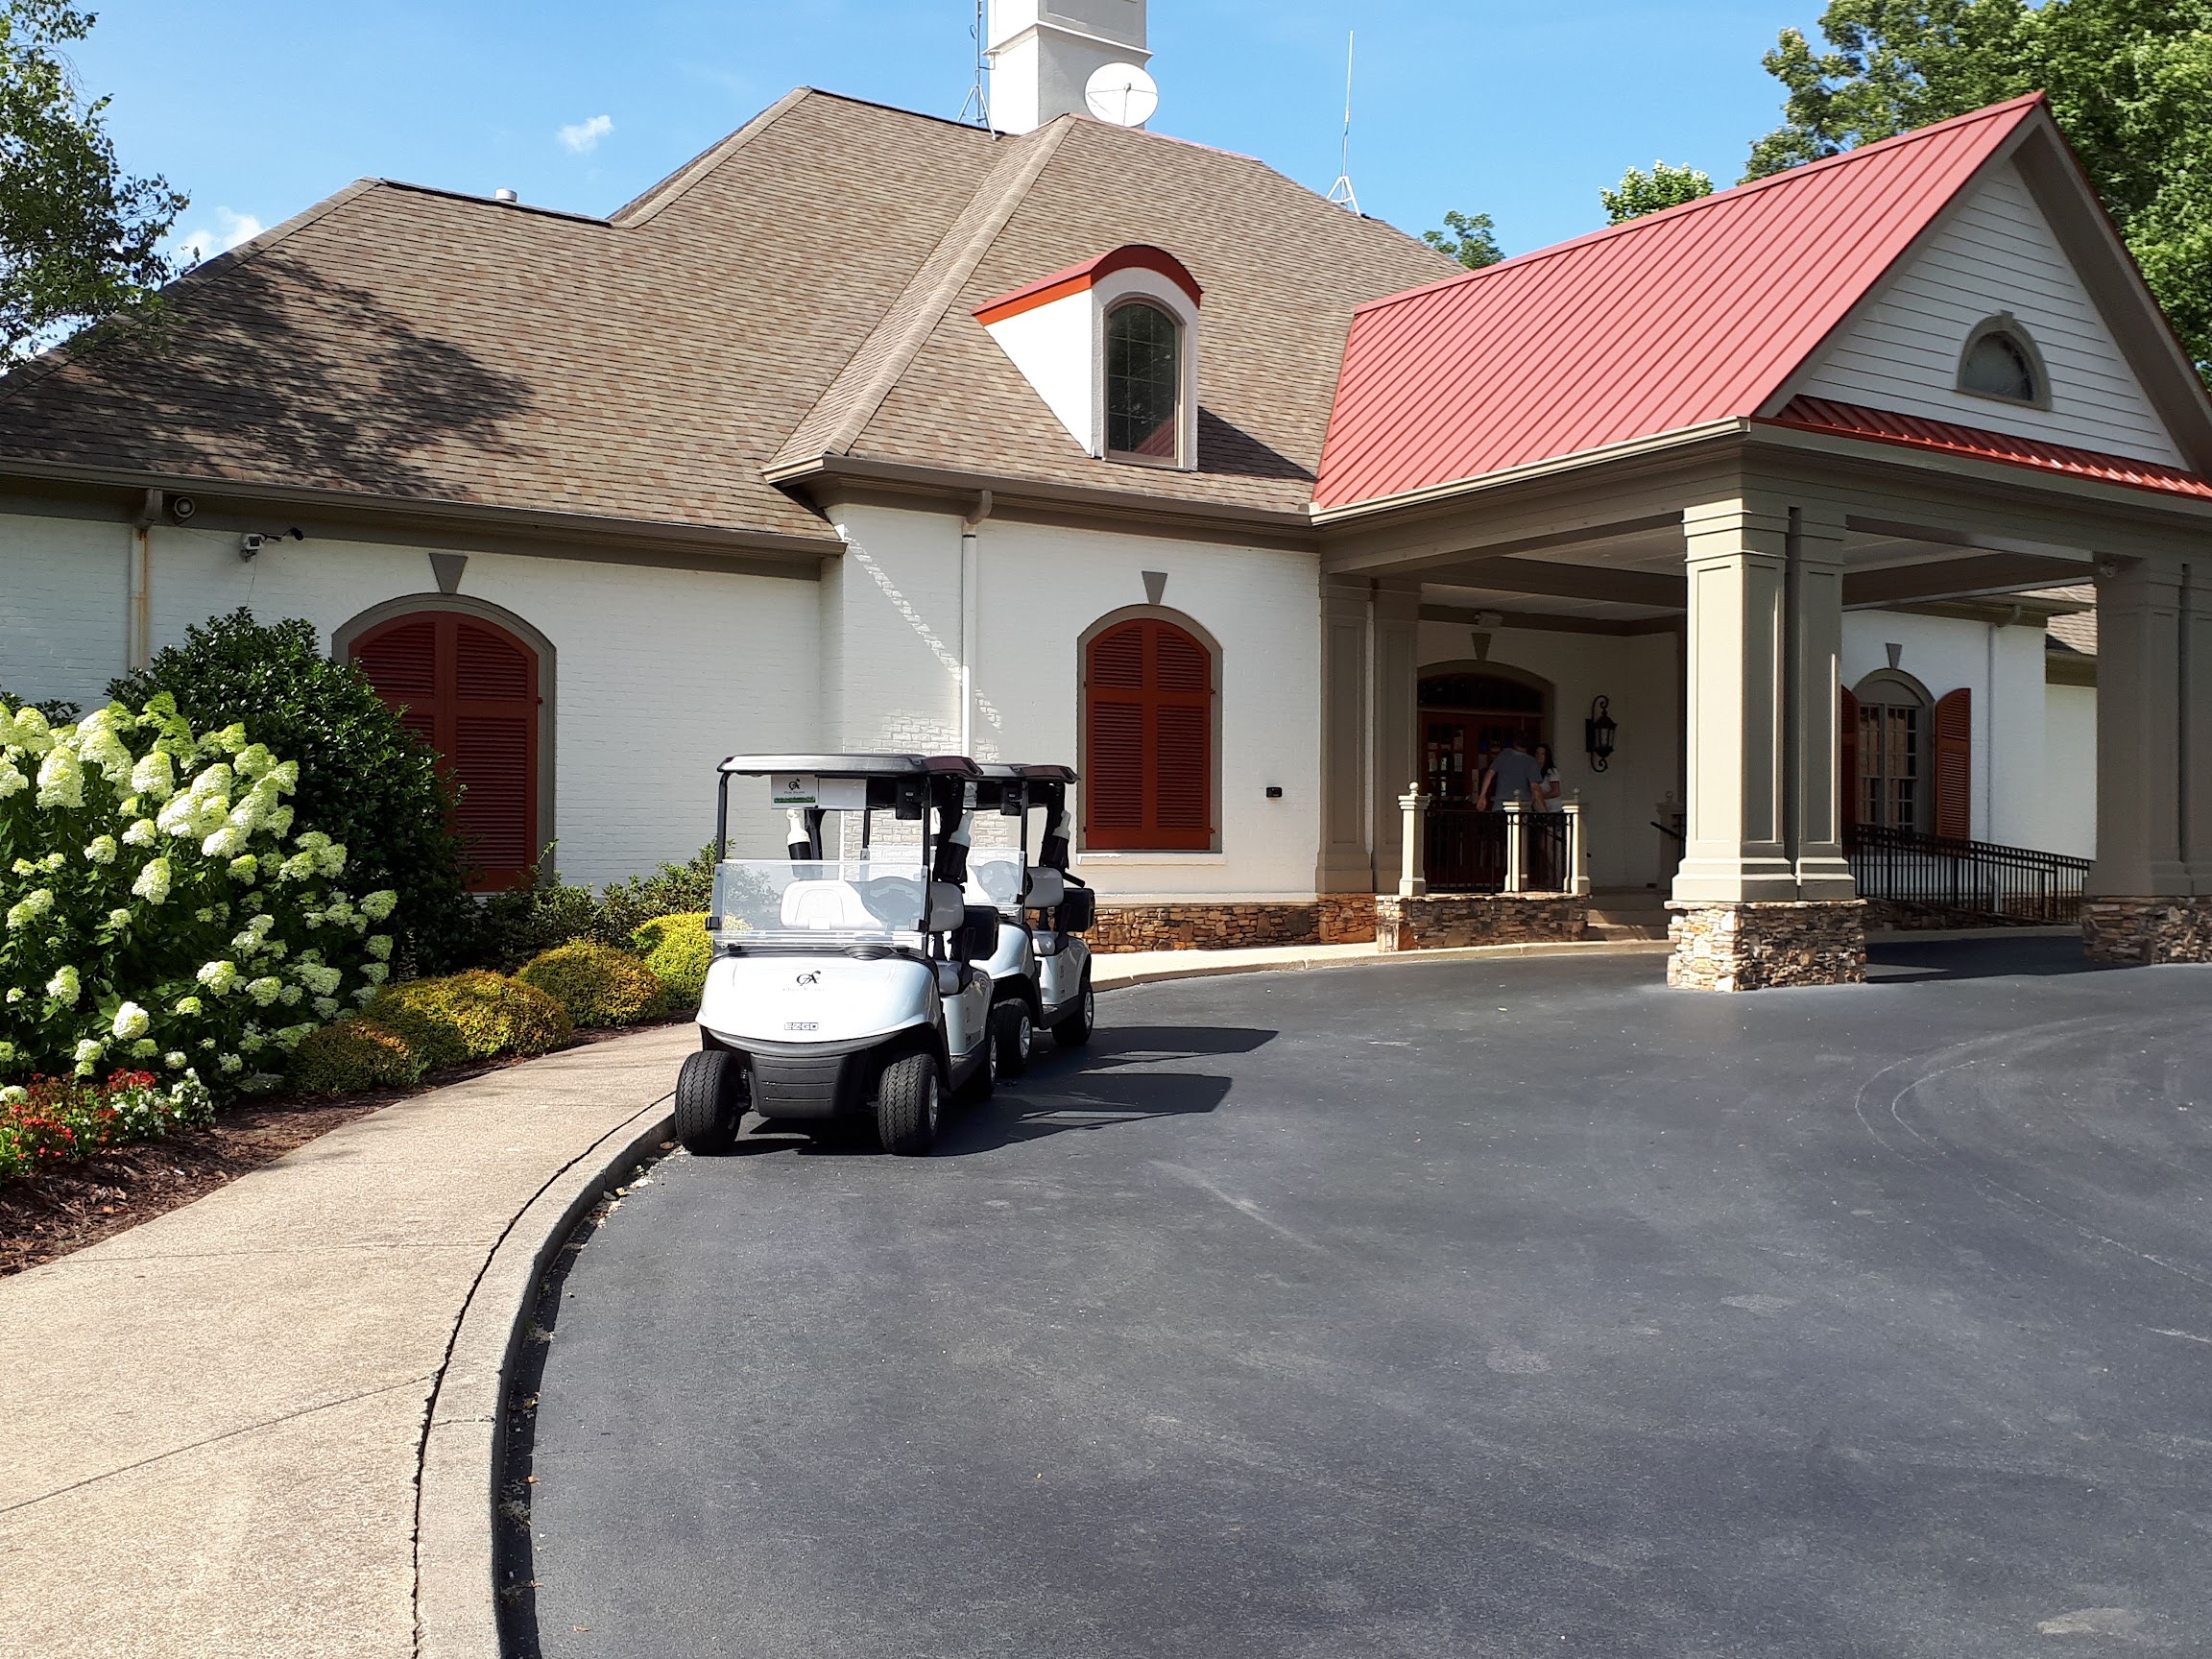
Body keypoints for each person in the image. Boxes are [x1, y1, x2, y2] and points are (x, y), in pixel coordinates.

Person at [1482, 734, 1543, 811]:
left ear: (1515, 743)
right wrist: (1544, 811)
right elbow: (1535, 788)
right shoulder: (1531, 761)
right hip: (1521, 805)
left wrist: (1482, 796)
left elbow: (1489, 774)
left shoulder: (1503, 755)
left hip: (1501, 805)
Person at [1531, 743, 1563, 811]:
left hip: (1552, 809)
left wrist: (1539, 797)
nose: (1539, 756)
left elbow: (1556, 792)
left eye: (1542, 754)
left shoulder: (1551, 772)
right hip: (1538, 809)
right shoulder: (1533, 771)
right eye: (1537, 753)